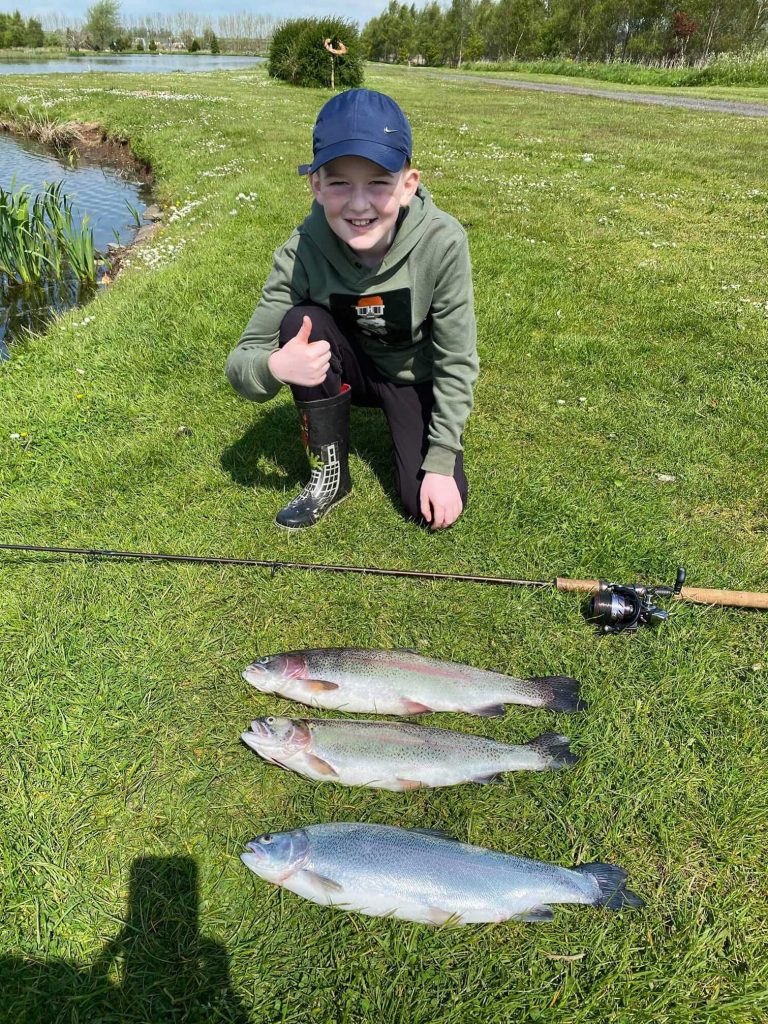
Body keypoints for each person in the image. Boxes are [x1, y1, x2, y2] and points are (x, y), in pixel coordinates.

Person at [225, 87, 478, 530]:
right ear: (317, 186)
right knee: (298, 321)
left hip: (411, 377)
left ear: (408, 185)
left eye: (378, 183)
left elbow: (457, 359)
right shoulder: (300, 251)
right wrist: (279, 365)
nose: (359, 204)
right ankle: (329, 473)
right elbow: (241, 364)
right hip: (346, 368)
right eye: (340, 183)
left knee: (424, 507)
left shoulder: (444, 242)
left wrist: (439, 463)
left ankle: (417, 441)